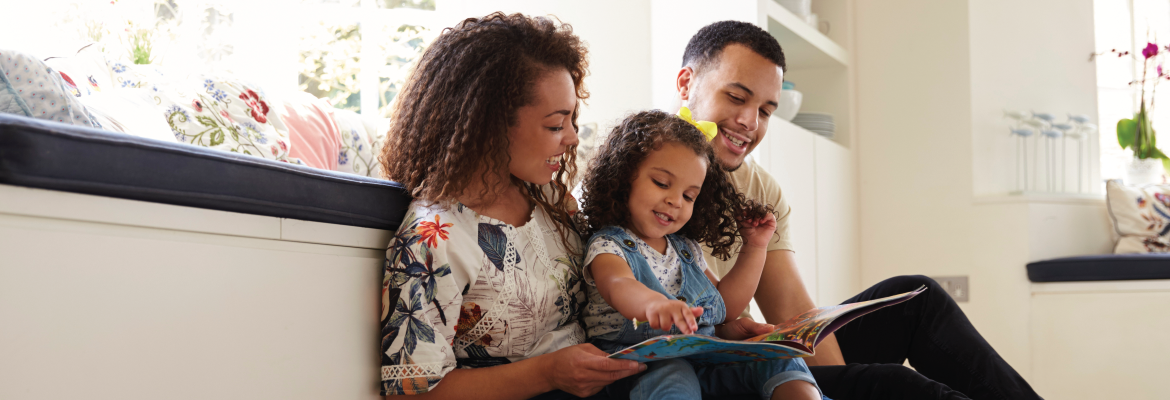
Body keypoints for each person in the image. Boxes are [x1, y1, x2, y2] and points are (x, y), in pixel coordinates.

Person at [672, 21, 1044, 400]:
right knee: (898, 386)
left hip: (762, 361)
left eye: (766, 111)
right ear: (686, 83)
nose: (750, 123)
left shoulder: (760, 189)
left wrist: (846, 382)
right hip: (704, 376)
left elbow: (792, 311)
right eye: (736, 98)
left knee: (918, 299)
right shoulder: (640, 176)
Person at [377, 13, 644, 399]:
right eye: (556, 125)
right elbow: (415, 392)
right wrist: (549, 373)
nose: (571, 137)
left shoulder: (553, 201)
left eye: (572, 119)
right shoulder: (432, 237)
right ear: (491, 123)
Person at [577, 110, 821, 400]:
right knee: (674, 375)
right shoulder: (608, 245)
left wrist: (755, 247)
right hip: (643, 365)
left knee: (778, 356)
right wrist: (653, 305)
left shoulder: (685, 249)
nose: (675, 201)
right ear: (623, 177)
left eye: (689, 196)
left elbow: (724, 306)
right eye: (662, 183)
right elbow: (618, 284)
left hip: (706, 357)